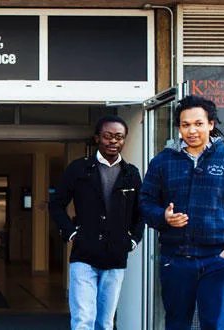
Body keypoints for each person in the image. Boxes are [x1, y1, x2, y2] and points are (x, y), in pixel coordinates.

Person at [139, 95, 224, 330]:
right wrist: (163, 217)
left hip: (217, 259)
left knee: (215, 325)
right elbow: (145, 203)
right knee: (176, 325)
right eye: (185, 125)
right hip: (176, 260)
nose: (191, 130)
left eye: (198, 123)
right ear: (179, 128)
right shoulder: (162, 162)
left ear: (211, 124)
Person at [49, 115, 143, 330]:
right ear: (97, 138)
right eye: (108, 136)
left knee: (105, 322)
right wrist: (72, 233)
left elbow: (141, 212)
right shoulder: (79, 168)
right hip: (84, 255)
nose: (113, 141)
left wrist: (133, 240)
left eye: (118, 137)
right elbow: (56, 204)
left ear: (124, 140)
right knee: (83, 319)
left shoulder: (132, 174)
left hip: (115, 256)